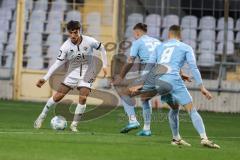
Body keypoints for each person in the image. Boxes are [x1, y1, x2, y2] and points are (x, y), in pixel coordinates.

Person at [130, 25, 220, 148]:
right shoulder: (186, 47)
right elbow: (193, 67)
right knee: (191, 110)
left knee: (174, 108)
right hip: (173, 80)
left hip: (159, 81)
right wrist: (201, 87)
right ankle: (204, 138)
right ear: (180, 35)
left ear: (169, 35)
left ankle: (176, 138)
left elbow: (149, 66)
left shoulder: (160, 47)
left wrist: (141, 83)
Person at [34, 20, 108, 132]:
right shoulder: (65, 47)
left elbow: (102, 48)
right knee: (58, 96)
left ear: (79, 31)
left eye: (76, 32)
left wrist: (105, 65)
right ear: (68, 32)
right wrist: (45, 78)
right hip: (73, 72)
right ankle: (42, 116)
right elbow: (57, 63)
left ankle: (74, 125)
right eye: (71, 33)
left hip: (88, 71)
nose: (73, 35)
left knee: (83, 97)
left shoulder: (89, 41)